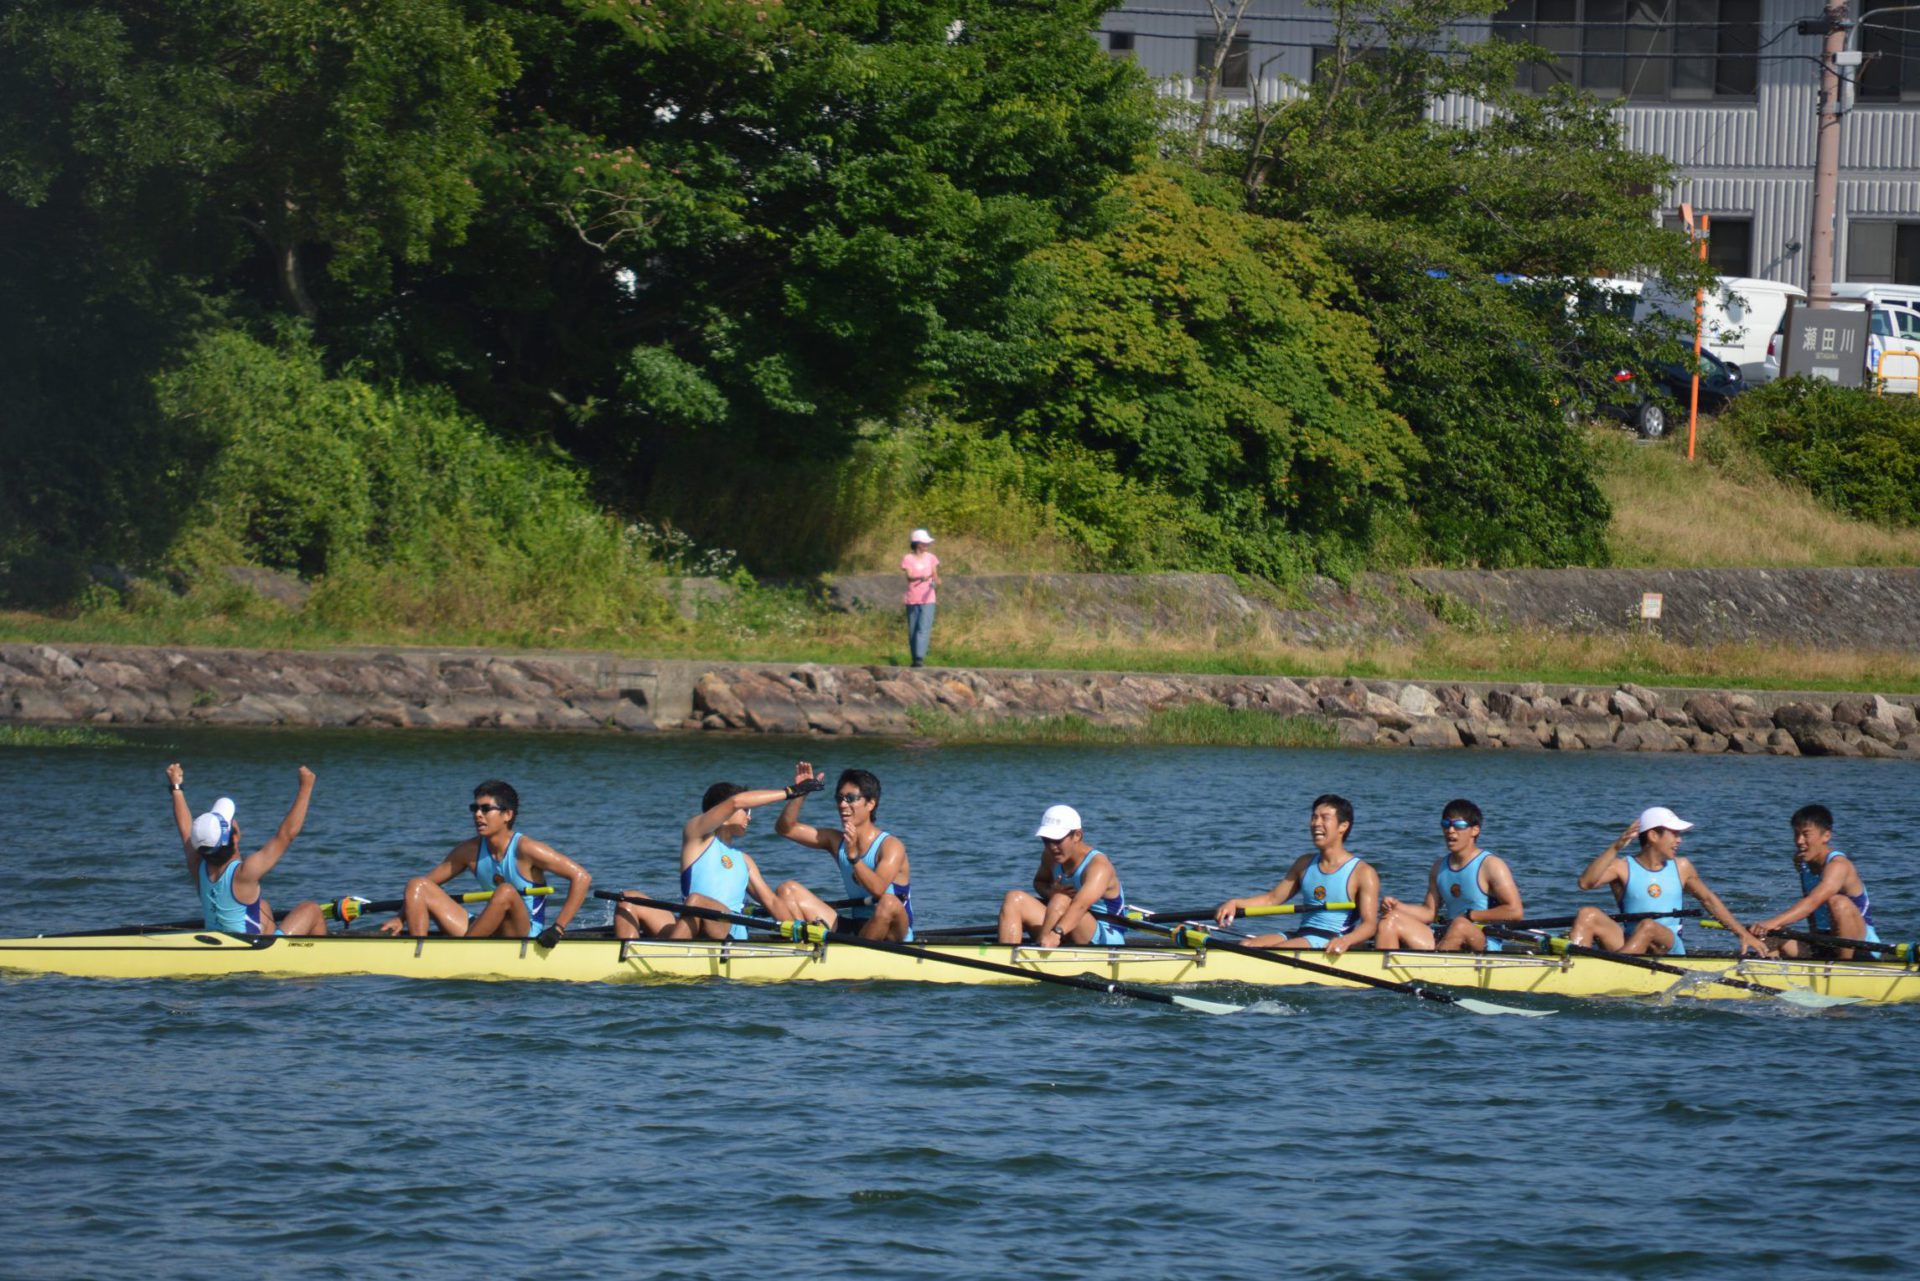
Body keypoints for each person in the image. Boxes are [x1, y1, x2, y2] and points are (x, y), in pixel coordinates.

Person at [378, 780, 592, 944]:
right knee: (417, 884)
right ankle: (419, 951)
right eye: (475, 809)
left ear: (507, 815)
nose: (478, 815)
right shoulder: (468, 850)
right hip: (486, 926)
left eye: (486, 809)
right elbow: (427, 886)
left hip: (523, 931)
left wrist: (558, 928)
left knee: (506, 892)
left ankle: (465, 950)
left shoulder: (527, 849)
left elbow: (581, 877)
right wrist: (400, 918)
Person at [613, 778, 814, 941]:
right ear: (724, 811)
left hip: (726, 930)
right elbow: (736, 801)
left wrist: (797, 930)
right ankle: (625, 962)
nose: (749, 817)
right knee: (628, 899)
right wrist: (790, 791)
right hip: (693, 920)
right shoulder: (696, 836)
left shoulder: (744, 861)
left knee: (696, 901)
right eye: (747, 811)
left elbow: (771, 901)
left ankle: (667, 958)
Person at [1567, 806, 1770, 957]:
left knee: (1648, 926)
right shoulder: (1623, 867)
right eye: (1674, 834)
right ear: (1654, 835)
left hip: (1669, 947)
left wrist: (1742, 934)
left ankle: (1613, 968)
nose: (1679, 840)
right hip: (1630, 940)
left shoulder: (1682, 867)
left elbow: (1709, 900)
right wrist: (1615, 847)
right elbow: (1585, 883)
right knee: (1587, 914)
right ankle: (1575, 965)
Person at [169, 762, 326, 936]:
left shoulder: (196, 864)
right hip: (247, 950)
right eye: (231, 820)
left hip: (221, 941)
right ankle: (318, 958)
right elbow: (286, 835)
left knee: (262, 907)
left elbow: (185, 829)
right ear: (234, 837)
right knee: (311, 909)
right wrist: (306, 787)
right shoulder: (244, 873)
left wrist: (176, 787)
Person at [1213, 794, 1379, 956]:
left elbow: (1370, 925)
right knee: (1247, 945)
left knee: (1278, 951)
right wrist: (1235, 903)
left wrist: (1347, 941)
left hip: (1331, 939)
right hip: (1302, 933)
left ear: (1343, 826)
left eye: (1324, 818)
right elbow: (1272, 899)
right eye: (1314, 817)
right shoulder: (1304, 863)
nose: (1316, 823)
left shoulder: (1363, 872)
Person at [771, 764, 914, 940]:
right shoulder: (835, 840)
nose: (842, 804)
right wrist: (801, 792)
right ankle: (803, 947)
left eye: (850, 798)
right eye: (839, 798)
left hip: (893, 931)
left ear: (870, 804)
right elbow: (785, 829)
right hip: (858, 927)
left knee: (888, 902)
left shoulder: (891, 846)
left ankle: (852, 956)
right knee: (787, 889)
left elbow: (878, 890)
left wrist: (853, 857)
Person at [1376, 799, 1524, 953]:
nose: (1450, 830)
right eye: (1446, 824)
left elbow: (1515, 911)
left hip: (1484, 940)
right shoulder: (1438, 867)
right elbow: (1429, 913)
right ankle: (1385, 969)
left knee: (1460, 925)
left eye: (1458, 825)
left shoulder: (1491, 865)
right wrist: (1398, 906)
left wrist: (1471, 915)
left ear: (1475, 830)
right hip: (1448, 933)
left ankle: (1431, 971)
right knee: (1389, 920)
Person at [1748, 804, 1881, 959]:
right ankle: (1769, 973)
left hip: (1861, 946)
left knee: (1837, 902)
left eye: (1806, 834)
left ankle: (1843, 968)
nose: (1799, 841)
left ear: (1826, 836)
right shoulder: (1801, 861)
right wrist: (1768, 929)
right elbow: (1810, 909)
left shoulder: (1838, 865)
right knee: (1769, 937)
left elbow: (1813, 901)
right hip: (1823, 941)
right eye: (1796, 834)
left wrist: (1771, 922)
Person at [997, 805, 1128, 948]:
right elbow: (1039, 882)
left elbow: (1080, 906)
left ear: (1077, 835)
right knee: (1014, 898)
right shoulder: (1050, 856)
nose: (1052, 847)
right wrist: (1049, 892)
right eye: (1046, 840)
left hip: (1105, 937)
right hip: (1062, 922)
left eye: (1057, 840)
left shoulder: (1099, 866)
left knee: (1061, 899)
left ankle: (1040, 951)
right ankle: (1008, 952)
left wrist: (1056, 933)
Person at [902, 528, 940, 668]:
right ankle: (915, 658)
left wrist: (936, 581)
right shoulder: (908, 558)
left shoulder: (931, 557)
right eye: (924, 543)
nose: (927, 545)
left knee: (923, 628)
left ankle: (919, 657)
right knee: (913, 629)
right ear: (917, 543)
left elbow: (935, 574)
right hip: (912, 598)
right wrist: (920, 577)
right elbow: (909, 576)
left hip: (928, 598)